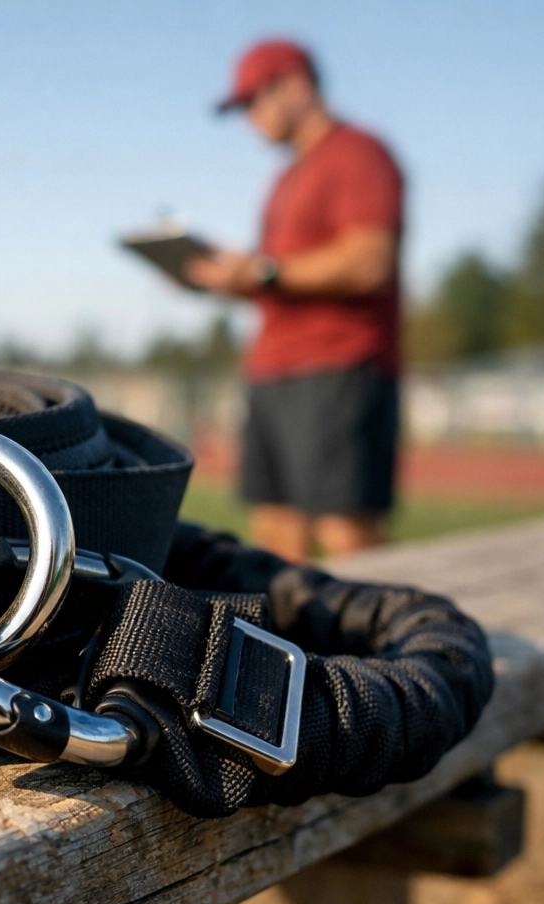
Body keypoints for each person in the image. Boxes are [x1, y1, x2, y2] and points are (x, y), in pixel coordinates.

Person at [186, 39, 404, 564]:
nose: (250, 120)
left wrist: (261, 269)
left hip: (338, 363)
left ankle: (393, 642)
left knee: (345, 534)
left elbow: (369, 261)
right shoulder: (287, 176)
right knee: (274, 532)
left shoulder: (358, 153)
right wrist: (225, 279)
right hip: (273, 367)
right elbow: (280, 280)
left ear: (296, 86)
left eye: (253, 102)